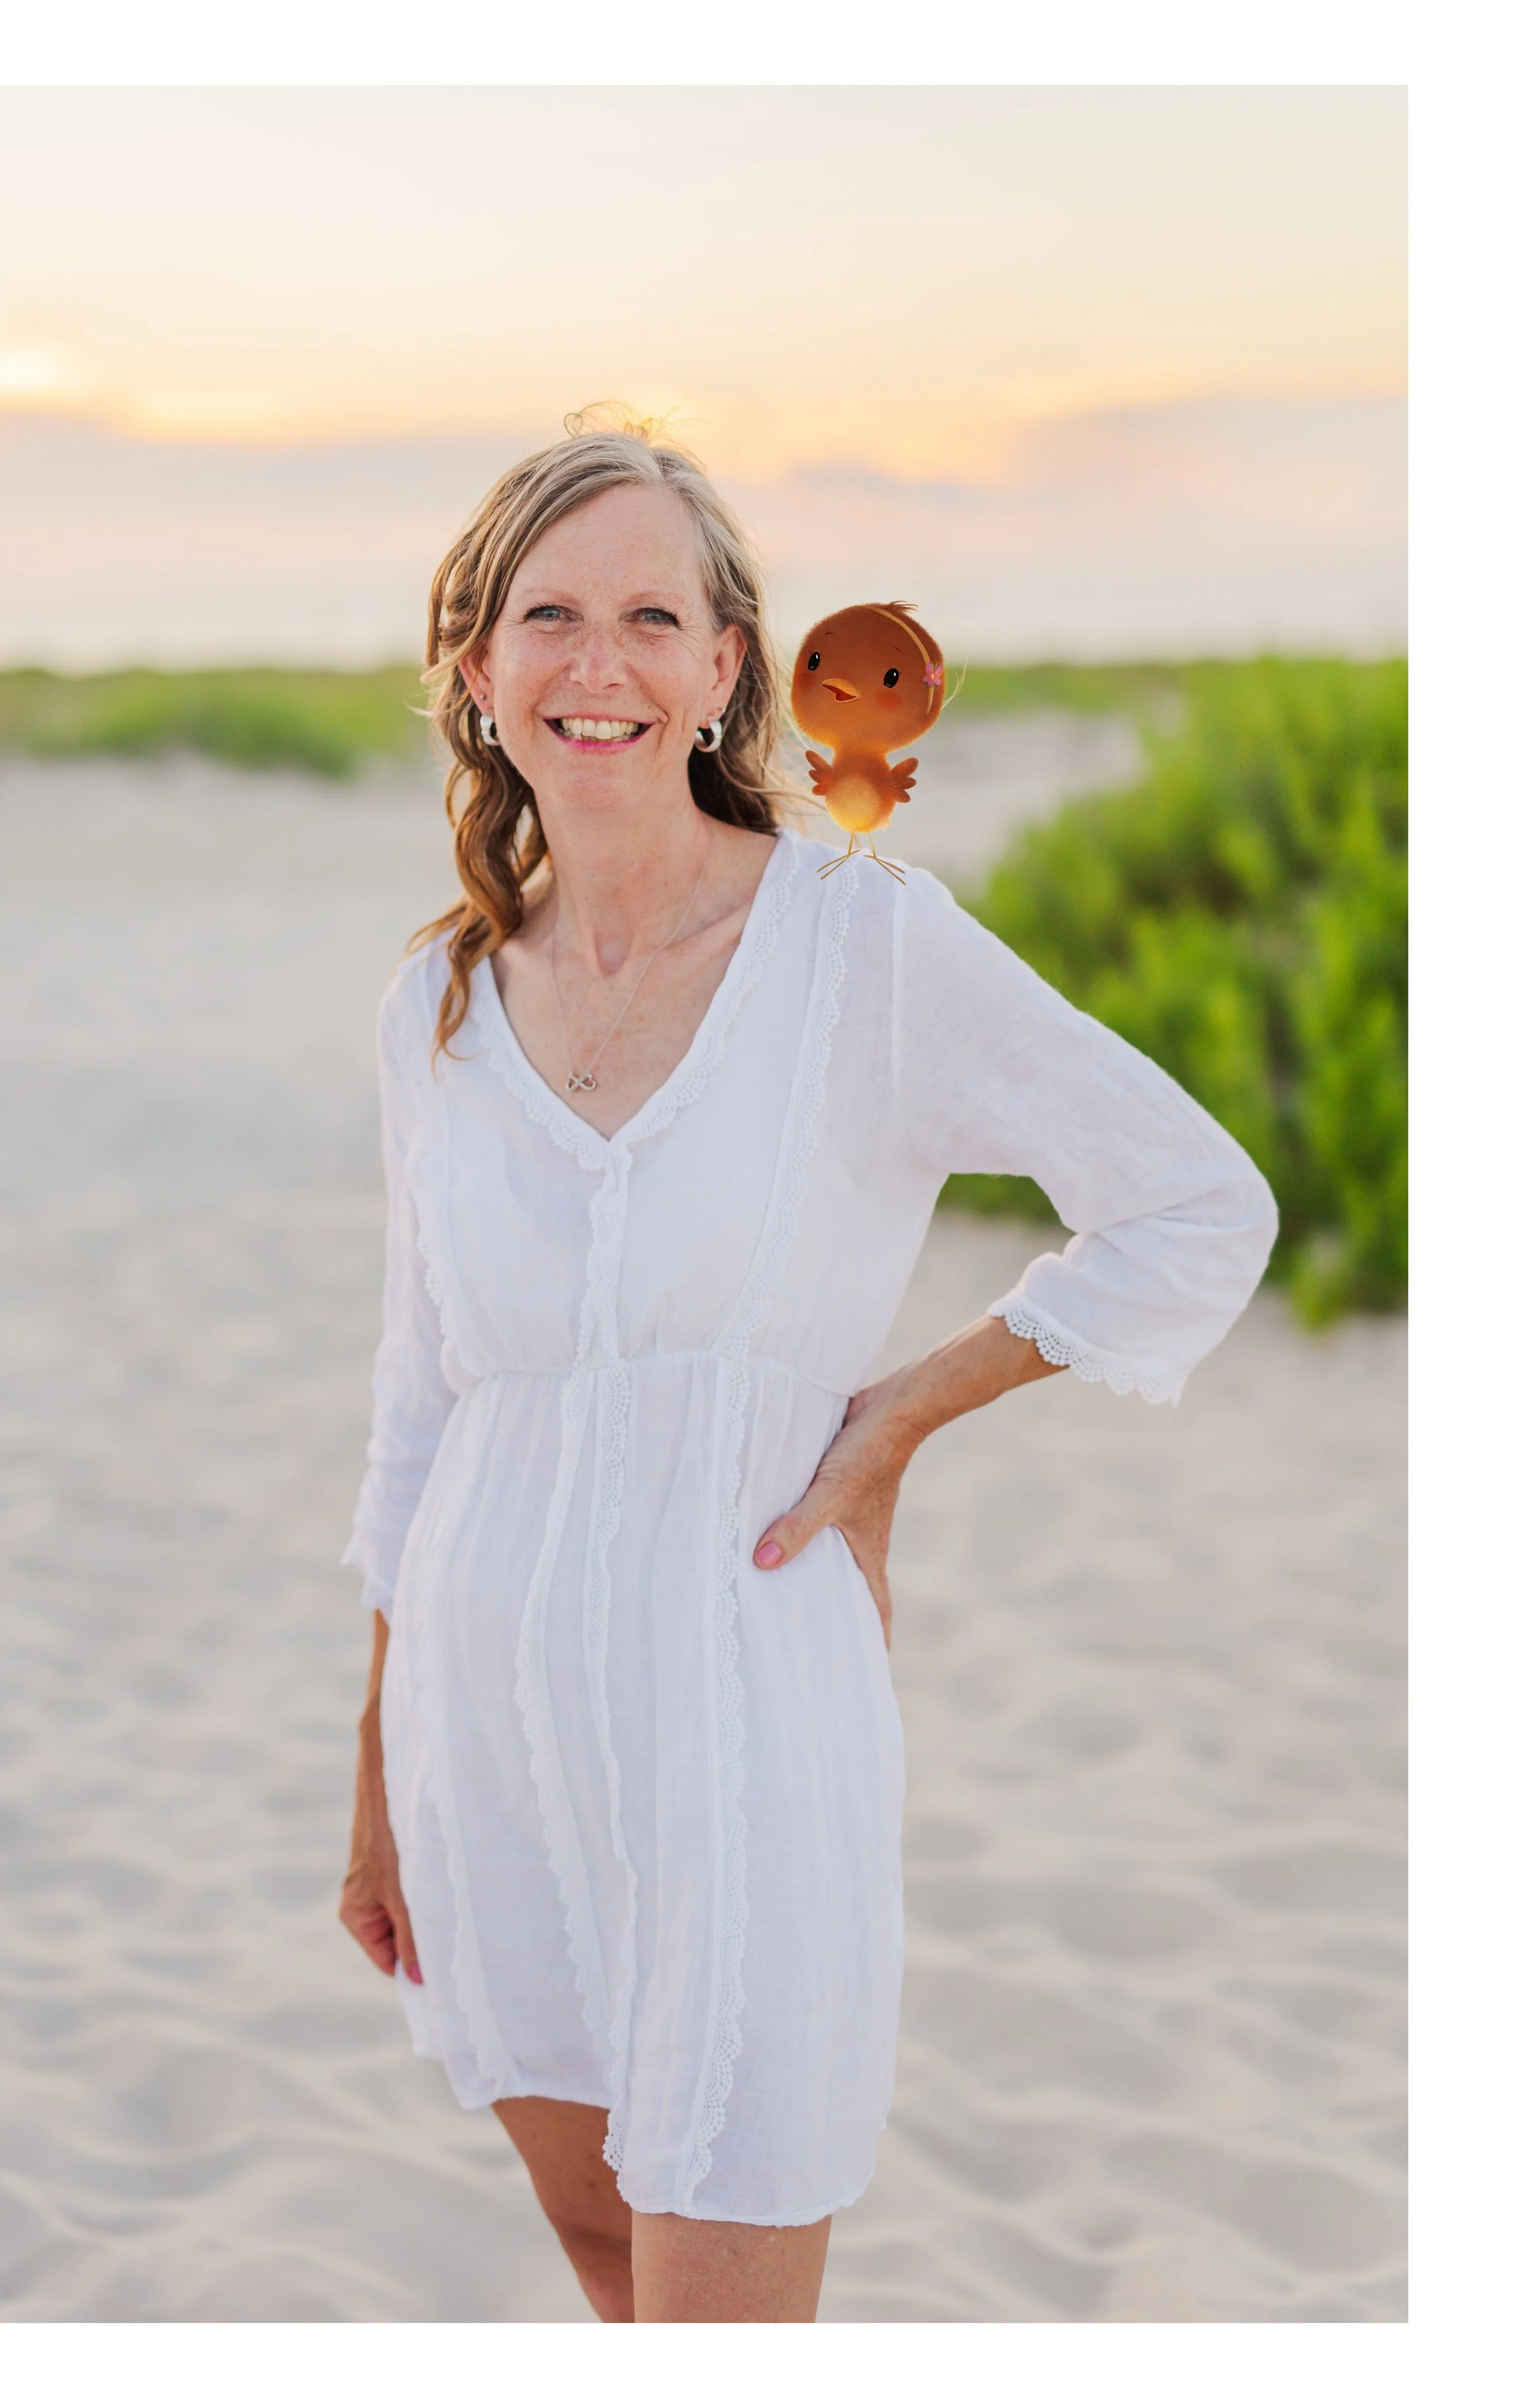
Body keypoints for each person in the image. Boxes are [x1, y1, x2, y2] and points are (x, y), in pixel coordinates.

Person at [338, 423, 1277, 2323]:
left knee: (724, 2274)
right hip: (479, 1726)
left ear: (720, 668)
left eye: (648, 616)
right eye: (546, 616)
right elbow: (418, 1407)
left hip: (743, 1705)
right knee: (606, 2253)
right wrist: (373, 1778)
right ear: (475, 669)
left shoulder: (862, 951)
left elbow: (1193, 1202)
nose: (593, 664)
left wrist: (902, 1417)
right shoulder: (436, 1001)